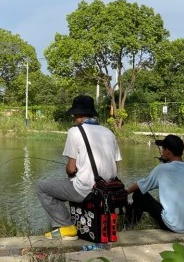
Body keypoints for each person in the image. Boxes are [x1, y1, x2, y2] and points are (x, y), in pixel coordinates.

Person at [36, 95, 121, 240]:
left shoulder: (74, 132)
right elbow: (115, 164)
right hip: (107, 189)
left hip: (87, 189)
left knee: (42, 187)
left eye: (74, 114)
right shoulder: (109, 133)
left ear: (78, 113)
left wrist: (72, 172)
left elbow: (70, 168)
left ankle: (66, 227)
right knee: (72, 182)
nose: (73, 117)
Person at [125, 134, 184, 233]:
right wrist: (168, 163)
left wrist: (124, 193)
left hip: (173, 226)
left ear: (168, 152)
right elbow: (177, 172)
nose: (162, 152)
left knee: (138, 195)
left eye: (163, 149)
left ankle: (130, 226)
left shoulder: (161, 169)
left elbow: (142, 185)